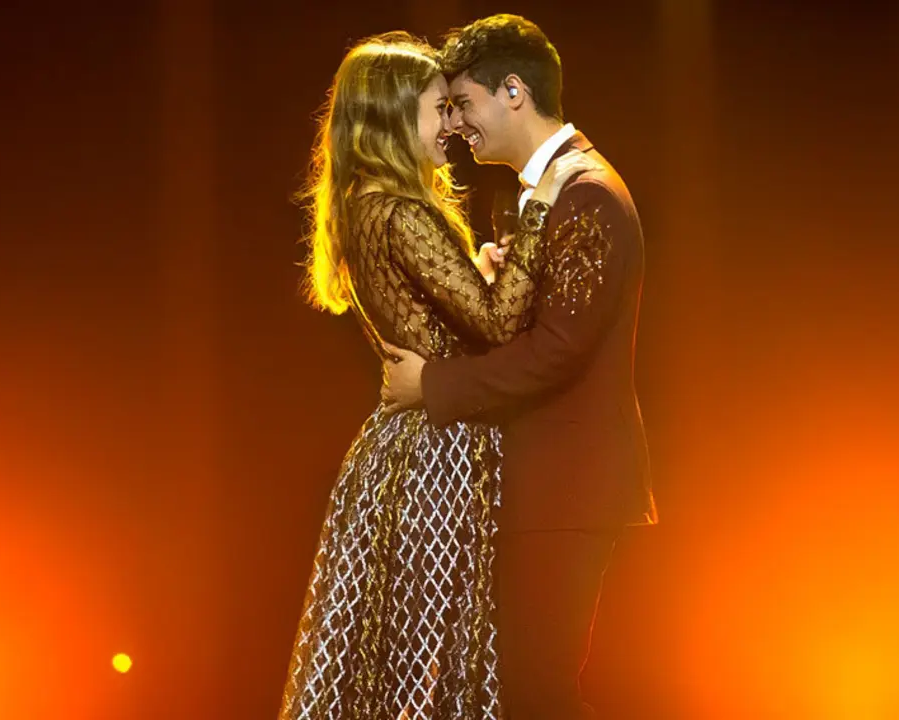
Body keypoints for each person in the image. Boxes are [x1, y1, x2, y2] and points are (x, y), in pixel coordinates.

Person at [278, 31, 592, 720]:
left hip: (405, 452)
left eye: (455, 107)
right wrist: (539, 209)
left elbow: (456, 317)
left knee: (397, 661)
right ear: (394, 117)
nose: (452, 124)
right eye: (438, 108)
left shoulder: (366, 204)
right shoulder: (403, 211)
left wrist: (480, 274)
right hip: (437, 455)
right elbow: (503, 325)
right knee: (433, 659)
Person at [380, 14, 659, 720]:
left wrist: (430, 384)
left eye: (463, 104)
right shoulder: (554, 190)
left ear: (513, 92)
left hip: (568, 485)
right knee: (525, 691)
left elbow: (560, 351)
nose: (457, 126)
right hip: (550, 483)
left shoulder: (585, 192)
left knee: (539, 692)